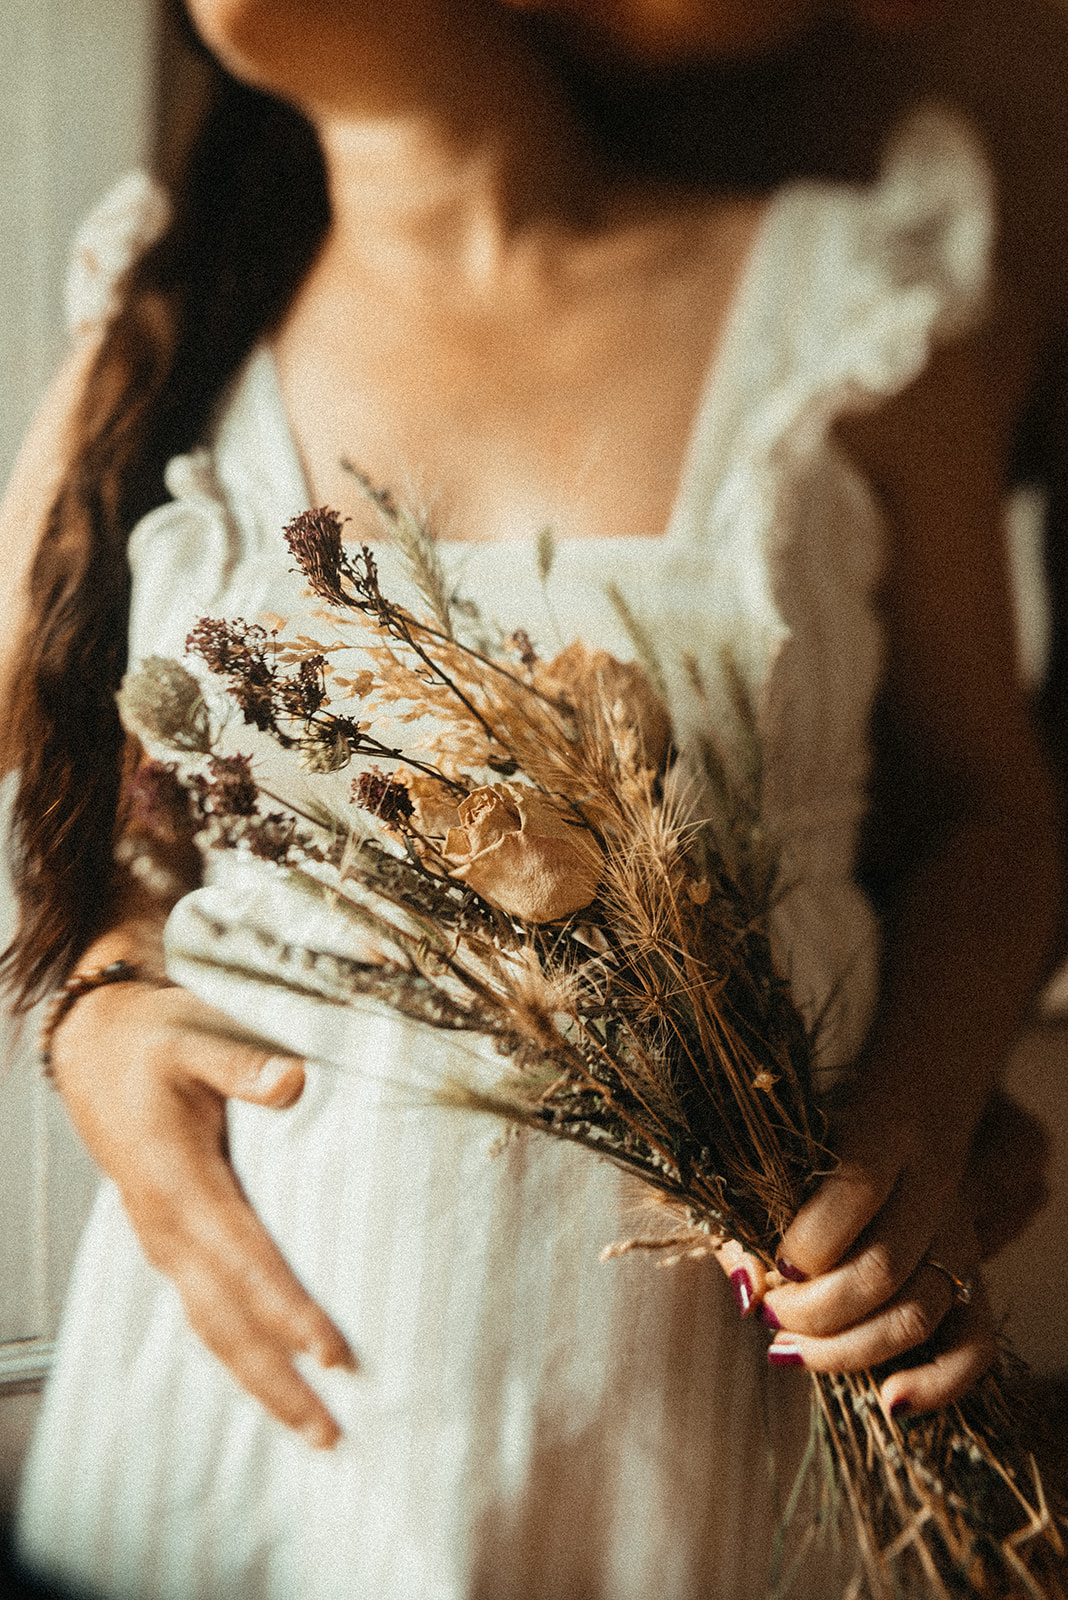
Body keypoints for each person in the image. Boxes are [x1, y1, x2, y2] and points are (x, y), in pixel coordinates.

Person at [1, 1, 1063, 1595]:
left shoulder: (842, 309)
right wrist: (91, 995)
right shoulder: (173, 315)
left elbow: (991, 812)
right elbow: (84, 774)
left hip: (713, 1401)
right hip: (248, 1406)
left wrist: (918, 1108)